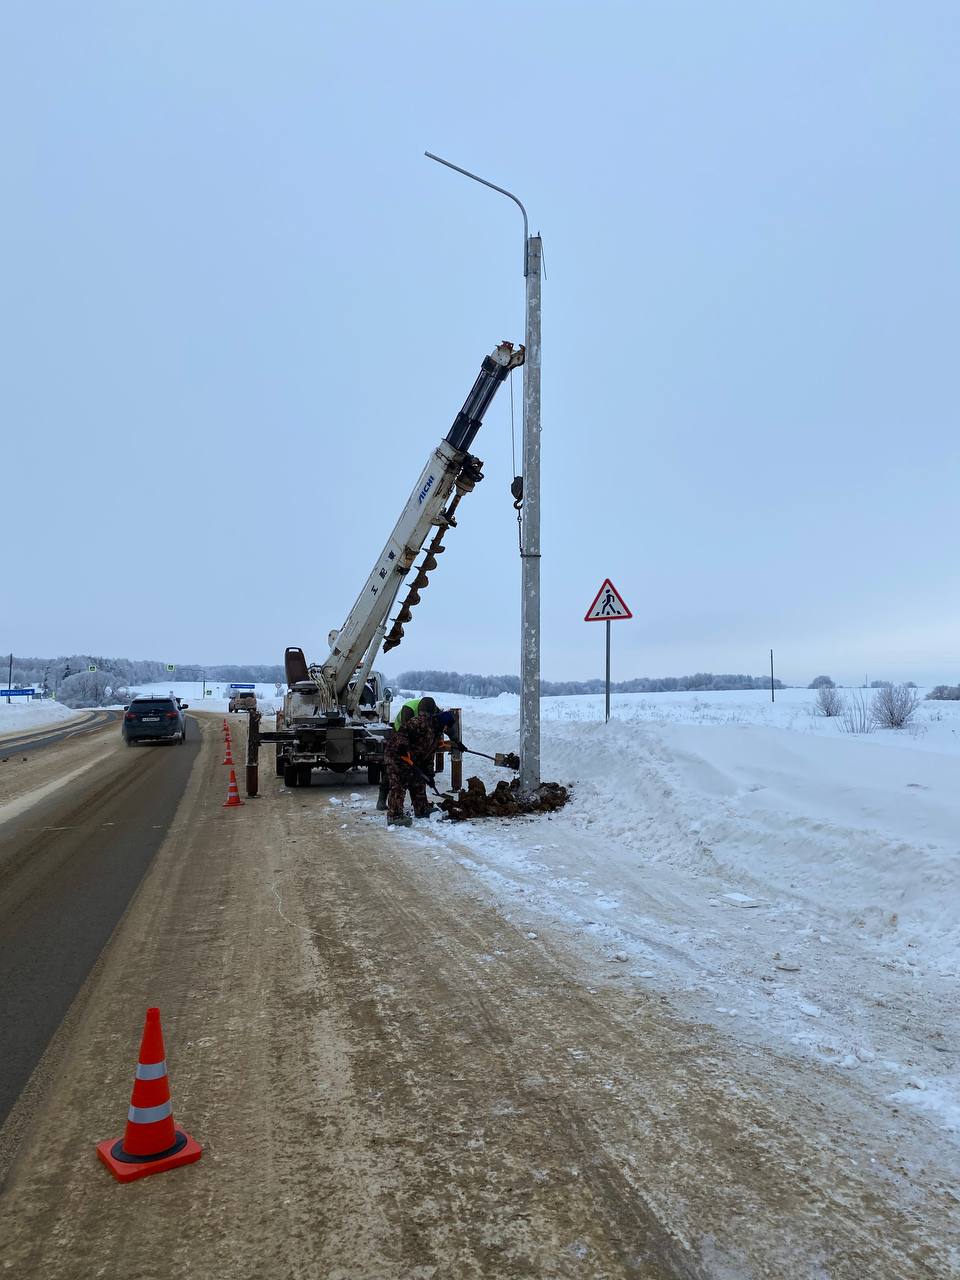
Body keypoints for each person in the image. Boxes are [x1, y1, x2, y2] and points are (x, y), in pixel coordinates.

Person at [383, 697, 450, 825]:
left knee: (419, 781)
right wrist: (402, 747)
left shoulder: (436, 735)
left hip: (413, 757)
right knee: (399, 784)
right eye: (447, 727)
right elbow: (403, 731)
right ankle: (394, 816)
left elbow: (429, 757)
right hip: (397, 755)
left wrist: (429, 775)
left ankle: (421, 809)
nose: (446, 730)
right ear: (442, 723)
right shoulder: (422, 722)